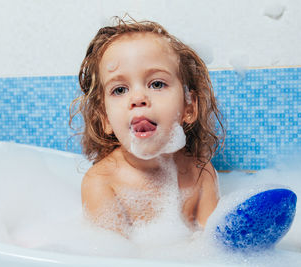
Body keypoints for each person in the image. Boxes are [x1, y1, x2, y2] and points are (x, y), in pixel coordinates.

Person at [70, 16, 224, 237]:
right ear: (105, 118)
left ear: (189, 106)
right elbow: (110, 255)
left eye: (157, 84)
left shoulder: (201, 172)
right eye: (120, 90)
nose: (138, 98)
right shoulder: (102, 182)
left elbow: (212, 247)